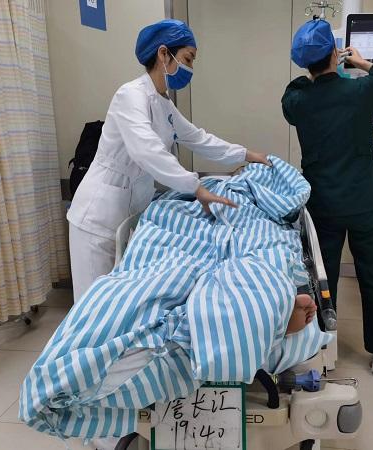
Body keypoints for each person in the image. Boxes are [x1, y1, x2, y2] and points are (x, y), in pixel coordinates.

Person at [67, 19, 269, 302]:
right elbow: (146, 150)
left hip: (129, 214)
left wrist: (246, 154)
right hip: (98, 218)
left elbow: (198, 138)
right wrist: (195, 187)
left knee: (115, 304)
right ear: (164, 54)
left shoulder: (164, 105)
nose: (190, 68)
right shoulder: (130, 95)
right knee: (91, 305)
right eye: (188, 58)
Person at [282, 19, 373, 375]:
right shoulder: (363, 91)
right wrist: (364, 63)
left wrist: (318, 71)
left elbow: (294, 91)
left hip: (323, 204)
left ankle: (323, 349)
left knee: (323, 280)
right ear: (335, 53)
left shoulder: (298, 100)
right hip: (365, 202)